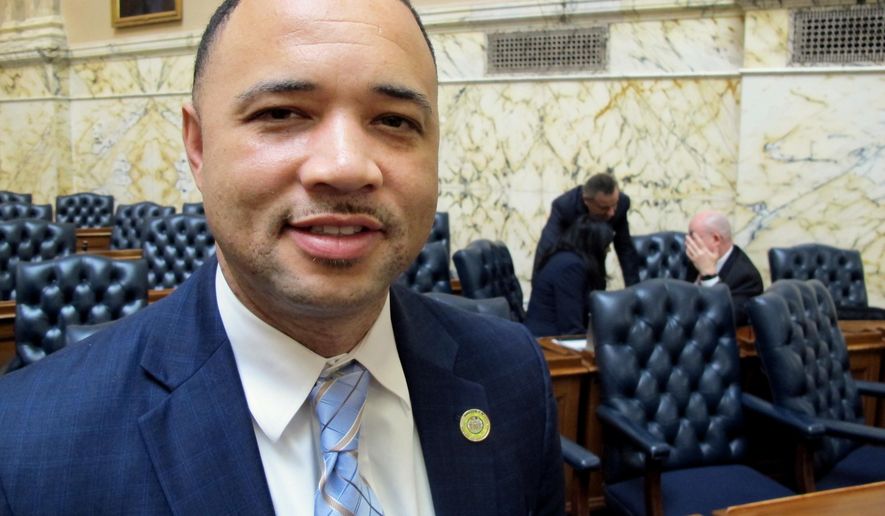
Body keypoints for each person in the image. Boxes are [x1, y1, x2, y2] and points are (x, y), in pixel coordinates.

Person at [0, 1, 564, 514]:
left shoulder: (512, 377)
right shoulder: (28, 443)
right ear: (197, 147)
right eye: (283, 113)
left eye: (394, 121)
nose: (345, 166)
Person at [534, 172, 640, 287]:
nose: (611, 213)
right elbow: (546, 250)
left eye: (614, 205)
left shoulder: (622, 204)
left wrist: (635, 291)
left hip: (598, 266)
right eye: (604, 208)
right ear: (586, 200)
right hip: (570, 268)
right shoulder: (565, 207)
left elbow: (625, 248)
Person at [526, 216, 614, 336]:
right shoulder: (571, 268)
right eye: (605, 246)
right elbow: (571, 328)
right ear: (592, 244)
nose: (608, 250)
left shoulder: (566, 259)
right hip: (548, 343)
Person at [685, 210, 763, 326]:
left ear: (716, 239)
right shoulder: (695, 260)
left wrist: (709, 276)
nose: (688, 243)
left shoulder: (747, 277)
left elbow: (725, 319)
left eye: (693, 237)